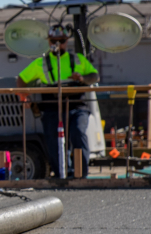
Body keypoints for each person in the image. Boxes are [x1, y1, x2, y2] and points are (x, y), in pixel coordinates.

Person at [16, 24, 99, 177]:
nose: (58, 44)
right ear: (49, 42)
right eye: (54, 41)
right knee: (54, 142)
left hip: (77, 107)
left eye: (61, 40)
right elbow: (21, 79)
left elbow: (94, 76)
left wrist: (82, 78)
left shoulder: (78, 59)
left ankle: (81, 174)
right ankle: (62, 174)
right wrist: (24, 97)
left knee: (78, 133)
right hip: (52, 109)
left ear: (66, 42)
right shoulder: (40, 63)